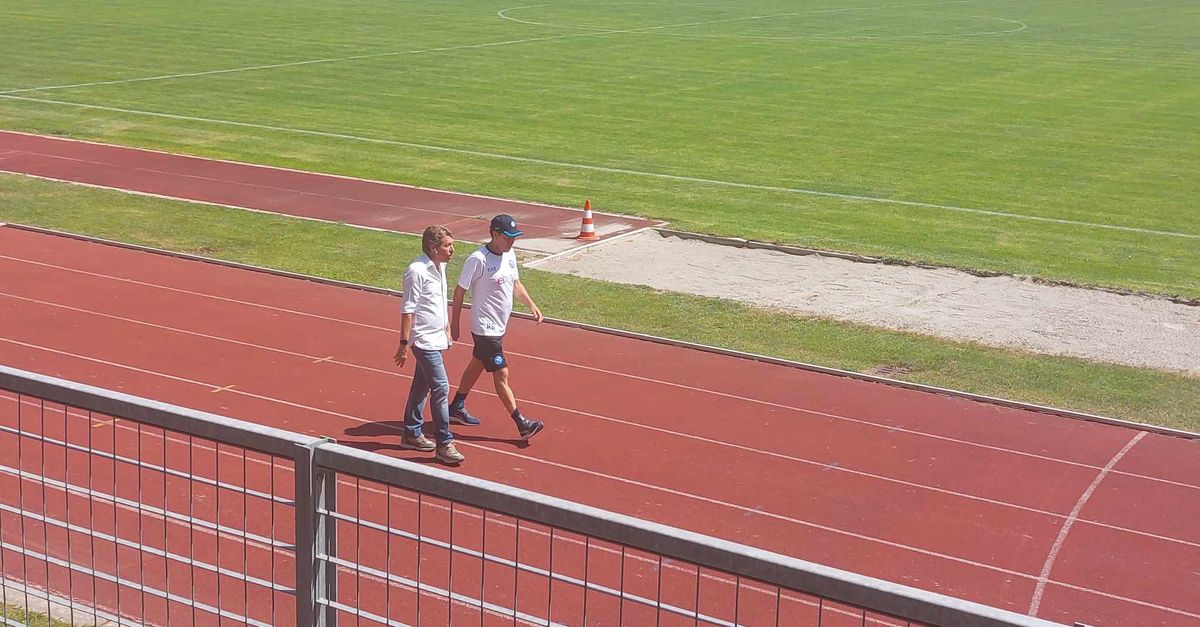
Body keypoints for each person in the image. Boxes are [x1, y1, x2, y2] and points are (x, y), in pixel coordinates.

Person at [448, 214, 545, 441]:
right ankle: (522, 424)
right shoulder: (477, 260)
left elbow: (516, 284)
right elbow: (460, 291)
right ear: (494, 234)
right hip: (485, 329)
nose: (512, 241)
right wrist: (454, 323)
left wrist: (531, 305)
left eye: (514, 237)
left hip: (499, 327)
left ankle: (456, 406)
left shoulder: (510, 254)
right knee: (502, 374)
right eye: (507, 237)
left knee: (477, 363)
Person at [394, 225, 465, 464]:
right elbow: (408, 309)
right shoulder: (416, 271)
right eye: (448, 246)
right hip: (423, 341)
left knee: (421, 386)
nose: (452, 250)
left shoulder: (441, 267)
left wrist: (446, 328)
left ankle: (411, 433)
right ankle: (444, 443)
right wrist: (404, 343)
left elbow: (439, 301)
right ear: (433, 248)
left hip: (437, 338)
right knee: (441, 388)